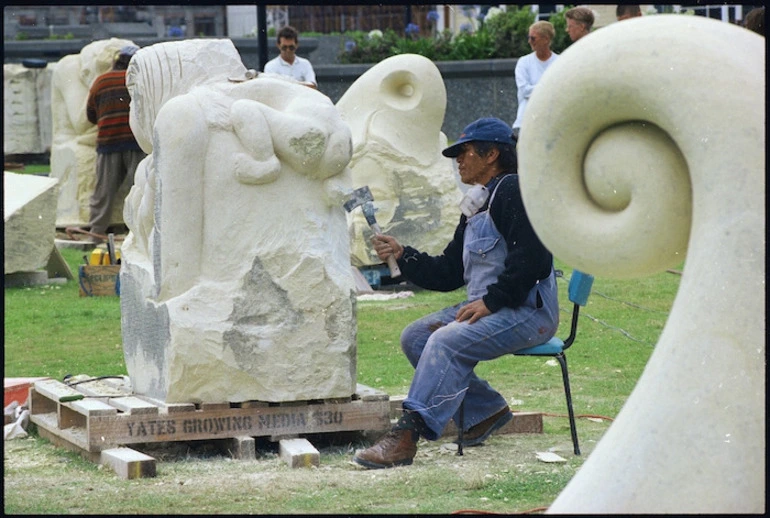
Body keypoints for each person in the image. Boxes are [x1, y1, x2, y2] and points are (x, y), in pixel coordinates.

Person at [352, 117, 560, 469]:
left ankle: (406, 436)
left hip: (528, 311)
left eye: (463, 153)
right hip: (495, 308)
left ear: (491, 153)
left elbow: (534, 259)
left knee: (445, 341)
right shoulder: (478, 203)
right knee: (416, 337)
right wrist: (406, 256)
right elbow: (450, 272)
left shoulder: (513, 191)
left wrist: (492, 301)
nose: (457, 161)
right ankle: (484, 411)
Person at [66, 45, 145, 243]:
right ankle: (139, 234)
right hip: (136, 142)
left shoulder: (100, 81)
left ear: (115, 61)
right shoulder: (139, 80)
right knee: (141, 188)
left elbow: (90, 115)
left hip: (108, 142)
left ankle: (95, 234)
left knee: (103, 192)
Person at [512, 21, 558, 140]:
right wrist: (549, 87)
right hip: (527, 120)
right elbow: (524, 90)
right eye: (529, 38)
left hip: (553, 119)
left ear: (546, 39)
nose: (529, 41)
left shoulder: (559, 61)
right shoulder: (523, 62)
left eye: (533, 38)